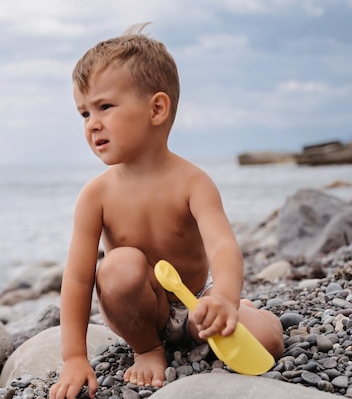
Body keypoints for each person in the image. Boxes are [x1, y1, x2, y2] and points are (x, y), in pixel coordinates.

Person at [48, 23, 284, 399]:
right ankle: (148, 349)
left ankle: (248, 308)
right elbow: (77, 280)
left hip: (195, 305)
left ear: (156, 108)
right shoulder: (96, 196)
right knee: (120, 265)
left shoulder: (193, 182)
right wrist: (74, 356)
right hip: (140, 314)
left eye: (105, 106)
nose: (93, 124)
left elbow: (223, 246)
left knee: (269, 341)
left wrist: (223, 296)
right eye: (83, 114)